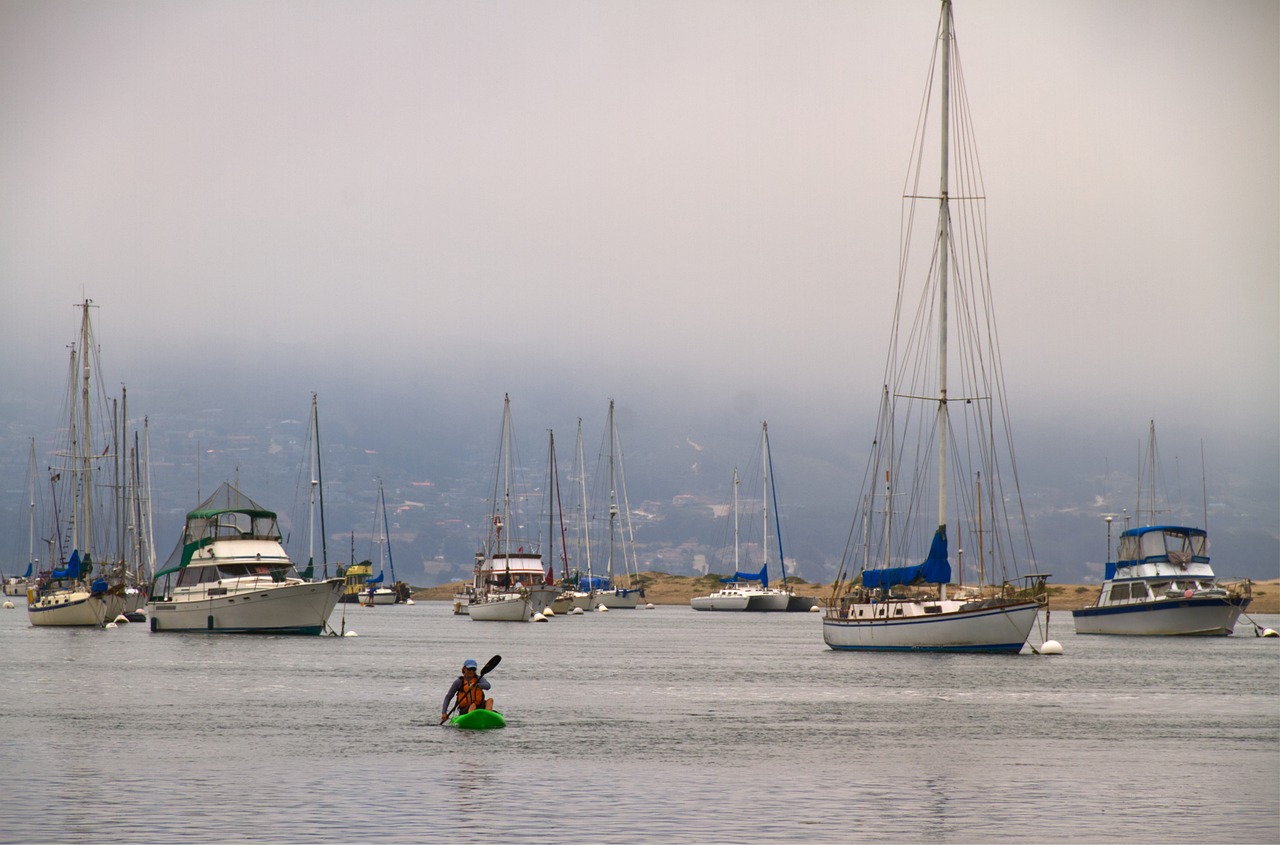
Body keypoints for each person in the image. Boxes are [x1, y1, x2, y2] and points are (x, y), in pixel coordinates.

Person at [440, 658, 492, 723]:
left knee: (490, 700)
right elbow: (448, 697)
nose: (471, 671)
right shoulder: (459, 682)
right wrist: (444, 713)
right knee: (473, 705)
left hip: (479, 706)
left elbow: (488, 686)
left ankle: (487, 717)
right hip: (465, 709)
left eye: (473, 669)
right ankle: (471, 720)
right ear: (464, 669)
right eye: (469, 669)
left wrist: (477, 685)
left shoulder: (479, 679)